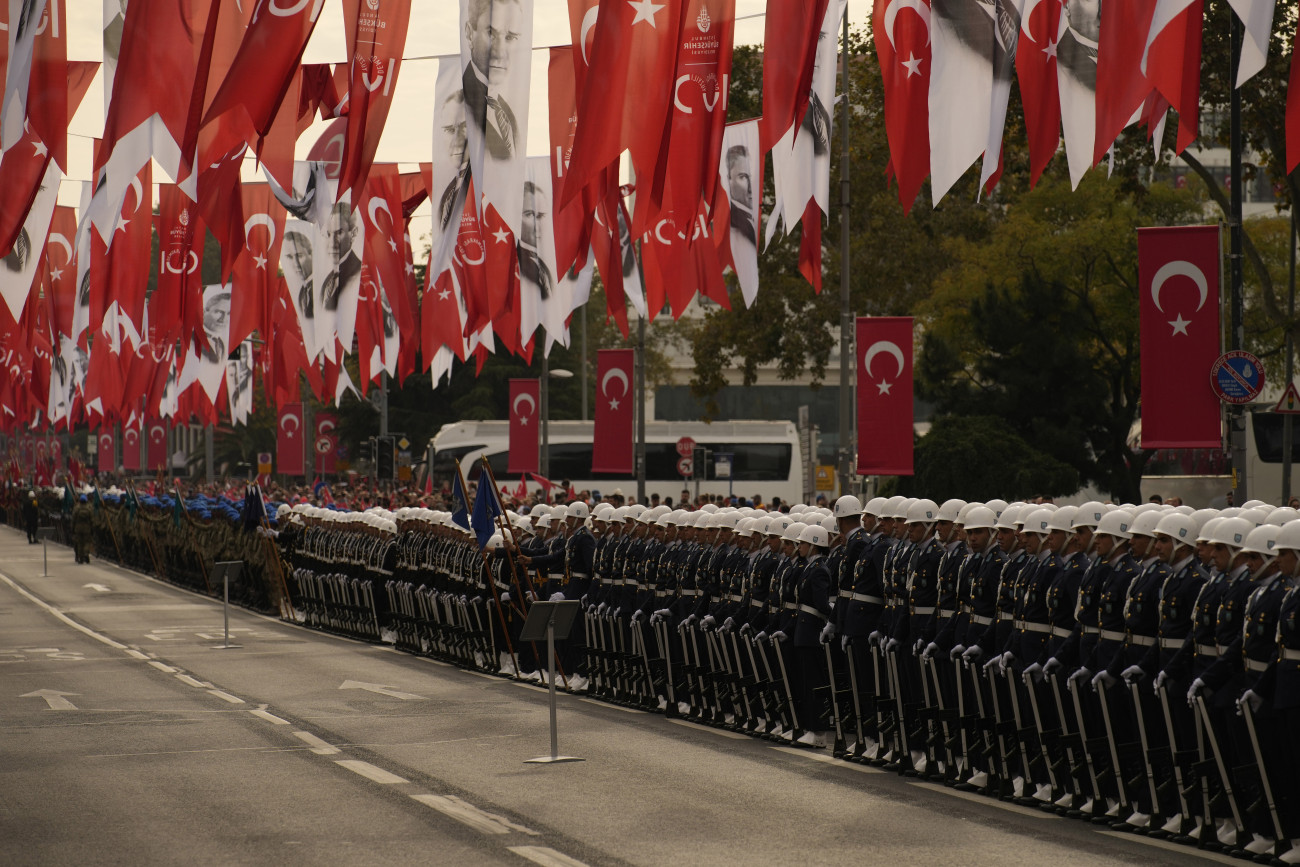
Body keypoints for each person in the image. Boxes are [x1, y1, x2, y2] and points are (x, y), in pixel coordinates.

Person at [462, 0, 523, 161]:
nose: (500, 53)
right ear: (469, 34)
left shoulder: (508, 113)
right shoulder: (459, 104)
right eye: (491, 34)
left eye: (510, 37)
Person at [320, 203, 361, 313]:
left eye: (339, 233)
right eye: (328, 234)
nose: (332, 243)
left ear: (353, 233)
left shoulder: (359, 274)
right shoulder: (327, 280)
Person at [71, 494, 94, 563]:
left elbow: (73, 519)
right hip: (87, 528)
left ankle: (80, 557)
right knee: (87, 542)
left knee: (80, 543)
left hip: (78, 528)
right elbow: (92, 519)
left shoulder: (76, 508)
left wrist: (72, 528)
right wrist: (92, 528)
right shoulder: (89, 508)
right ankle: (86, 553)